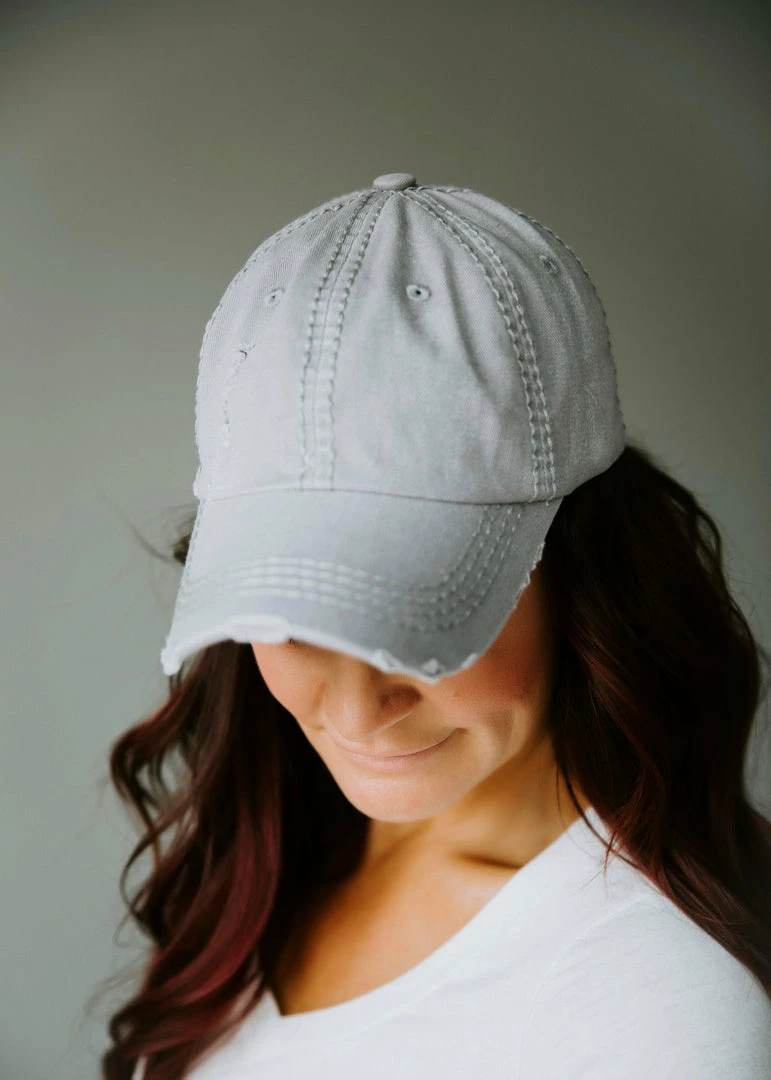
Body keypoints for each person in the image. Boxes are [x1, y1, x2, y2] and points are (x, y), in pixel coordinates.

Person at [95, 174, 771, 1079]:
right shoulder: (262, 864)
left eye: (420, 612)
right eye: (292, 611)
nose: (355, 709)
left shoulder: (658, 1007)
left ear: (584, 574)